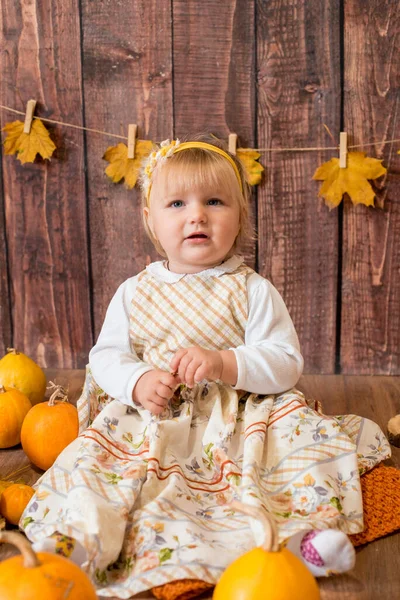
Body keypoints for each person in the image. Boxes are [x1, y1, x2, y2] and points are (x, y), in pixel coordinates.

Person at [21, 134, 390, 597]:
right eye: (176, 203)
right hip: (153, 420)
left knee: (296, 457)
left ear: (239, 218)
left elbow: (284, 361)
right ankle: (80, 541)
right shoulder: (135, 292)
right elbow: (107, 356)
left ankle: (299, 541)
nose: (197, 214)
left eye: (214, 201)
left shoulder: (252, 289)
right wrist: (137, 381)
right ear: (150, 220)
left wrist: (225, 361)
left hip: (242, 417)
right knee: (99, 471)